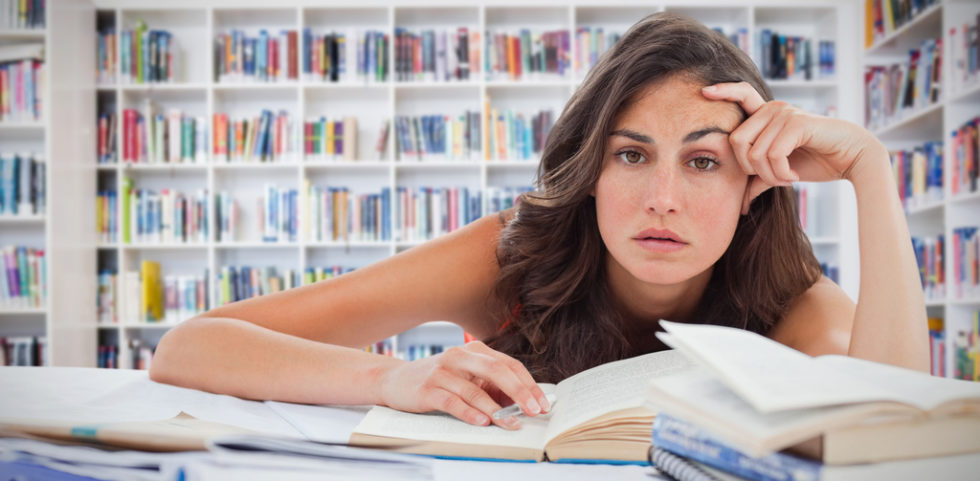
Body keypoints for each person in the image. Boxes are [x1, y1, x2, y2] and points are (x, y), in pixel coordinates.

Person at [149, 12, 929, 431]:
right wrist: (392, 376)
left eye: (701, 162)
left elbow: (902, 435)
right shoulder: (512, 256)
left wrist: (871, 167)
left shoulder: (788, 293)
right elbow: (190, 345)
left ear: (754, 183)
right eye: (630, 156)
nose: (663, 197)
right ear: (589, 173)